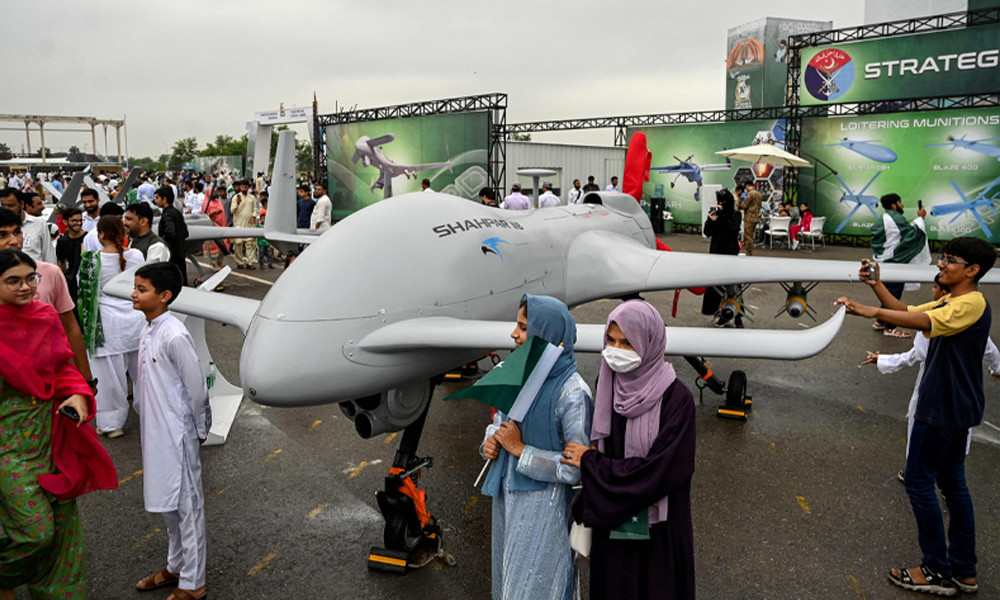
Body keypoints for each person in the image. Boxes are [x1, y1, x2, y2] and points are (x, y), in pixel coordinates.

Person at [835, 236, 995, 597]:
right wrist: (876, 285)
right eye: (943, 257)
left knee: (919, 483)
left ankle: (937, 569)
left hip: (941, 408)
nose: (941, 264)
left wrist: (868, 310)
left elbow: (918, 320)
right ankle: (964, 572)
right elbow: (908, 312)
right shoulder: (953, 300)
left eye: (950, 260)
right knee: (953, 485)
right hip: (956, 407)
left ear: (972, 270)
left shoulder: (970, 303)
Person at [0, 248, 117, 600]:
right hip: (8, 445)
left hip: (52, 436)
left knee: (64, 535)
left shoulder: (45, 315)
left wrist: (79, 395)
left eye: (29, 279)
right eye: (12, 281)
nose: (24, 288)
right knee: (36, 533)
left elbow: (63, 367)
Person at [562, 300, 696, 600]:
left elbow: (659, 473)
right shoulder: (608, 383)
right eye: (611, 340)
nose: (616, 351)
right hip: (616, 528)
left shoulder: (678, 400)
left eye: (627, 343)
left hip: (659, 531)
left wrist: (591, 462)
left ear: (649, 344)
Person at [481, 294, 592, 600]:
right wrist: (490, 443)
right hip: (507, 501)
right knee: (507, 587)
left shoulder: (573, 394)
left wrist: (519, 450)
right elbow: (501, 426)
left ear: (547, 334)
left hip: (545, 512)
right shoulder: (518, 373)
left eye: (523, 327)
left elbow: (575, 470)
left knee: (540, 589)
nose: (513, 334)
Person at [861, 274, 1000, 482]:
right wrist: (997, 369)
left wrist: (883, 359)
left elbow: (914, 355)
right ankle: (950, 479)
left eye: (935, 288)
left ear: (944, 293)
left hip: (933, 395)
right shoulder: (971, 315)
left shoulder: (934, 320)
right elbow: (990, 351)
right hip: (963, 396)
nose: (932, 292)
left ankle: (915, 473)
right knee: (955, 453)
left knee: (921, 452)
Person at [131, 262, 210, 600]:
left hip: (177, 434)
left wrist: (201, 426)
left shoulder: (174, 334)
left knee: (187, 507)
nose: (134, 293)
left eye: (142, 289)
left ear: (163, 296)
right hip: (155, 432)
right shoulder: (148, 327)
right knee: (168, 505)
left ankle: (193, 583)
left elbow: (196, 387)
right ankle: (175, 566)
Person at [85, 216, 146, 438]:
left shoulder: (91, 260)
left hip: (106, 326)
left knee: (109, 378)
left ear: (101, 234)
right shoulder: (137, 255)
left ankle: (112, 424)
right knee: (144, 373)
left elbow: (85, 298)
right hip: (136, 322)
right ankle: (150, 414)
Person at [871, 193, 927, 338]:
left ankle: (881, 321)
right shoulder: (896, 218)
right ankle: (890, 327)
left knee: (887, 294)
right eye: (900, 202)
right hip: (895, 263)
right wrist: (921, 219)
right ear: (894, 205)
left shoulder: (881, 219)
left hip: (883, 262)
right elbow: (911, 236)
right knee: (894, 296)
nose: (902, 205)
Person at [701, 189, 742, 323]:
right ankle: (718, 312)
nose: (720, 205)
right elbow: (707, 232)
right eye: (719, 202)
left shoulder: (736, 214)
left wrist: (722, 215)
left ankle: (738, 316)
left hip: (730, 252)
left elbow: (733, 230)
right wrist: (710, 221)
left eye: (723, 203)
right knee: (715, 285)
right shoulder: (717, 215)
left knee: (734, 286)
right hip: (716, 251)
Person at [0, 189, 56, 264]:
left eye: (11, 205)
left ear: (22, 204)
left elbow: (48, 254)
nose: (6, 209)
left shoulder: (39, 224)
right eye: (3, 206)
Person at [154, 185, 189, 285]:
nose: (155, 201)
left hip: (172, 257)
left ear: (164, 199)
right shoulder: (177, 212)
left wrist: (160, 241)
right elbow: (186, 233)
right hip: (181, 255)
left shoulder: (167, 214)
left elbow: (170, 233)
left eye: (157, 198)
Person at [56, 207, 86, 301]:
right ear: (65, 222)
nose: (79, 223)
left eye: (80, 220)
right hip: (70, 282)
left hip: (85, 282)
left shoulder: (87, 238)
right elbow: (61, 262)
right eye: (74, 220)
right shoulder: (62, 241)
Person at [201, 189, 228, 271]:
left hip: (222, 226)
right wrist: (213, 213)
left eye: (216, 192)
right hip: (213, 227)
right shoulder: (207, 203)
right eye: (214, 192)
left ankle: (220, 262)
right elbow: (204, 216)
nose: (216, 193)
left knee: (222, 246)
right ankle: (214, 264)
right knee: (214, 247)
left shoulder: (218, 201)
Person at [739, 188, 763, 256]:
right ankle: (749, 252)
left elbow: (744, 205)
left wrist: (738, 205)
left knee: (747, 236)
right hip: (755, 217)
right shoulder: (759, 194)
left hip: (749, 217)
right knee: (751, 235)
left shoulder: (751, 194)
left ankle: (749, 253)